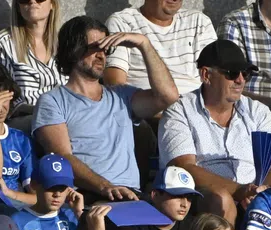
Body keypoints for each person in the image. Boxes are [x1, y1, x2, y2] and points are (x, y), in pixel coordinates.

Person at [33, 16, 176, 199]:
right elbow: (62, 157)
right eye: (95, 48)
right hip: (88, 195)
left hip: (131, 195)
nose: (102, 55)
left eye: (106, 49)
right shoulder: (52, 101)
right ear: (73, 49)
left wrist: (144, 45)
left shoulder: (122, 95)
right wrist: (105, 187)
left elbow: (168, 96)